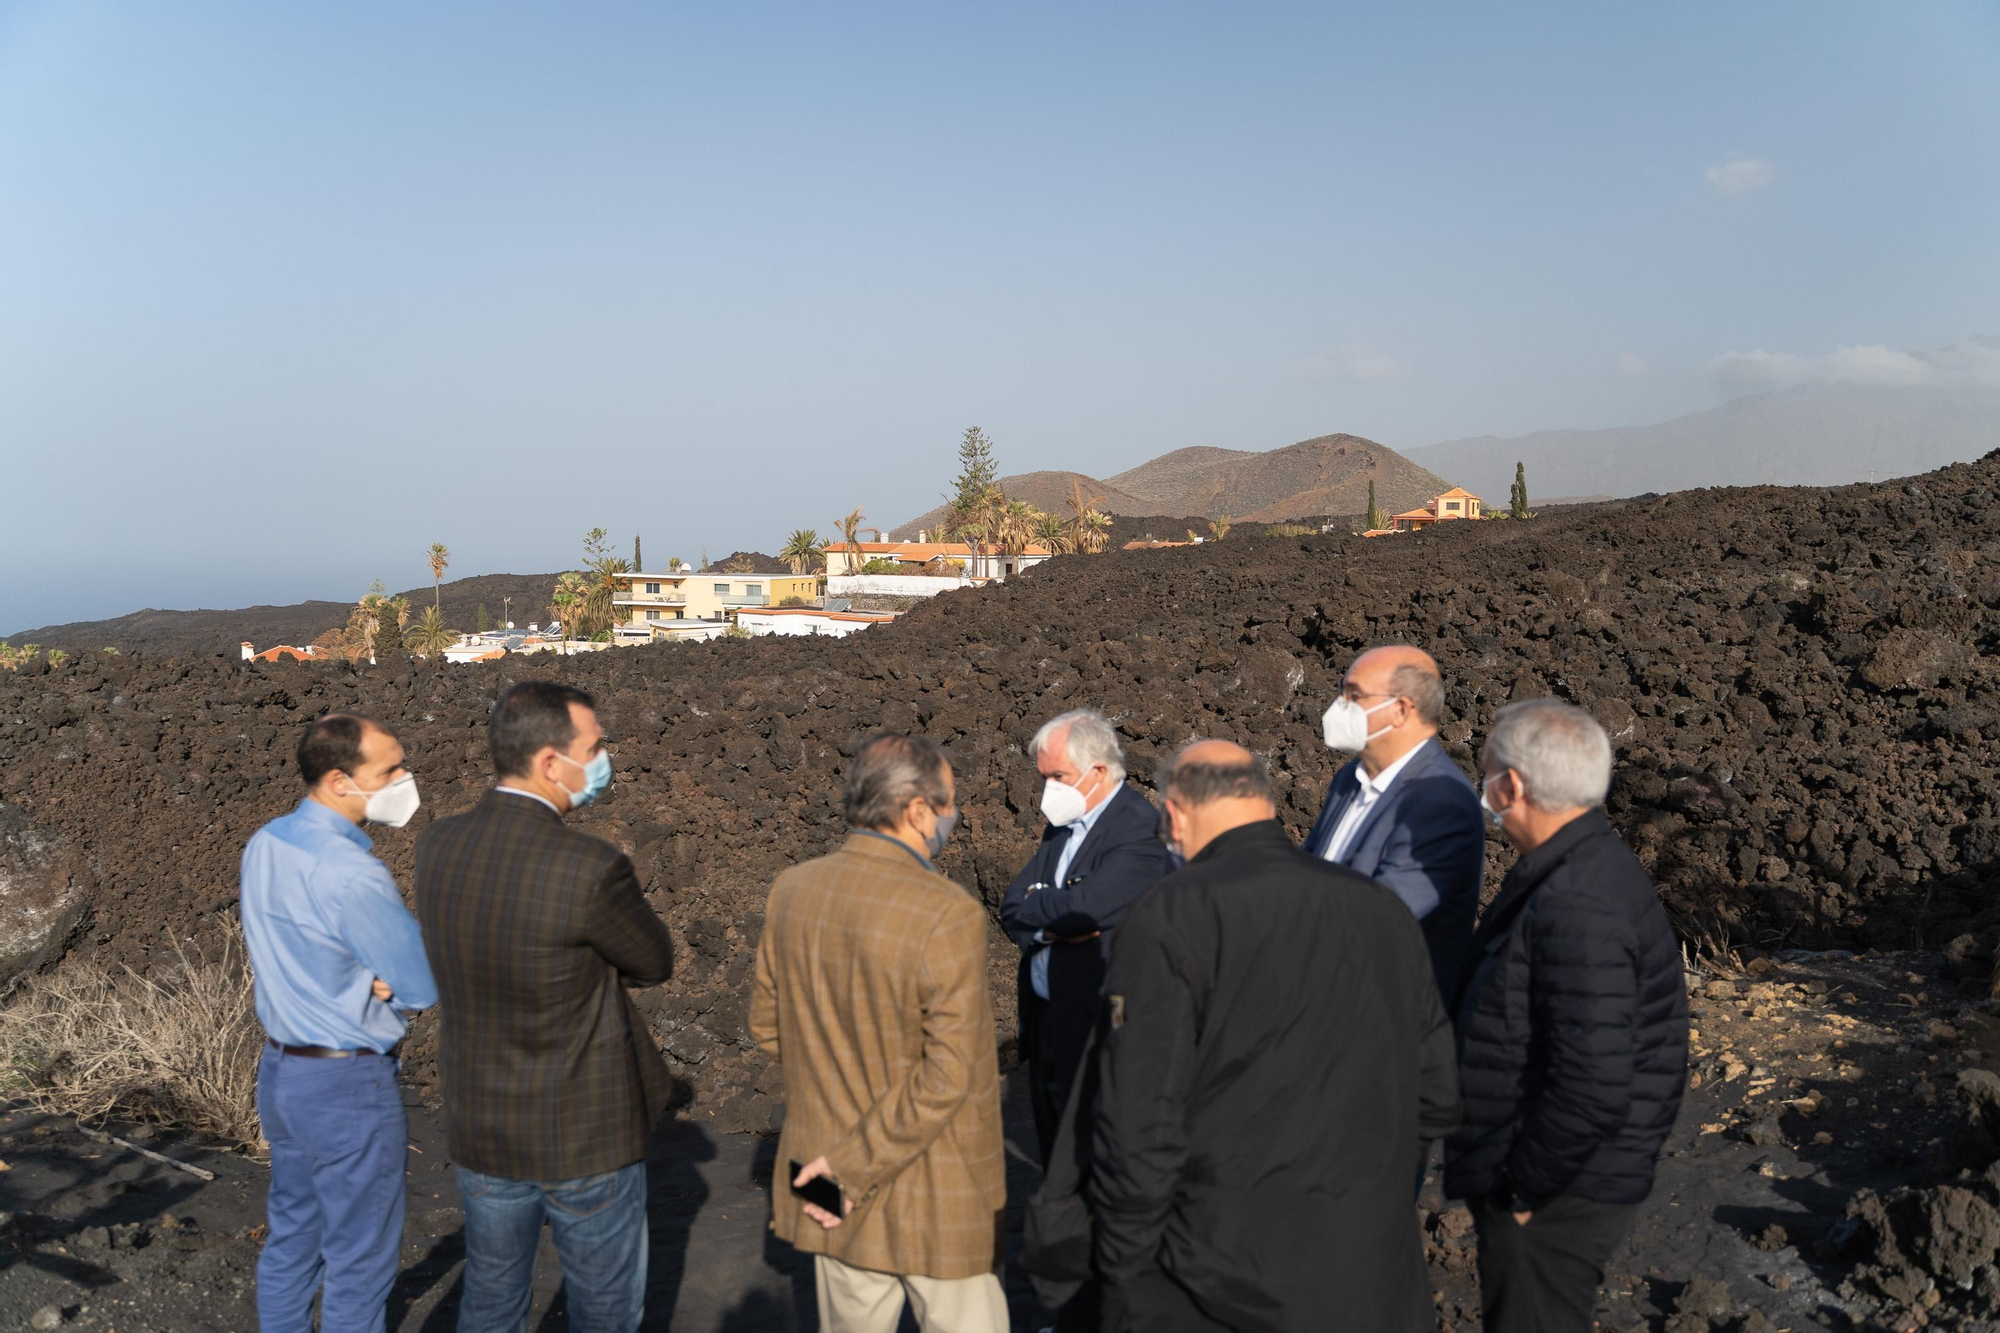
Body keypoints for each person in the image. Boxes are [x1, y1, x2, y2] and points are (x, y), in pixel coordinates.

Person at [1089, 740, 1460, 1332]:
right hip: (1368, 1273)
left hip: (1222, 1277)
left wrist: (1121, 1274)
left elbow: (1138, 1121)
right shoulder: (1381, 911)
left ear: (1177, 813)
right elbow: (1438, 1093)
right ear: (1264, 802)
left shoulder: (1170, 915)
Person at [413, 681, 673, 1333]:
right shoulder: (588, 866)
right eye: (595, 747)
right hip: (585, 1133)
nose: (604, 758)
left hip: (484, 1122)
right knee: (605, 1307)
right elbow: (653, 961)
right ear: (551, 763)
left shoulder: (438, 845)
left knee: (493, 1297)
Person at [750, 733, 1007, 1333]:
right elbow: (950, 1077)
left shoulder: (794, 888)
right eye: (948, 804)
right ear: (918, 811)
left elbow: (767, 1026)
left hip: (821, 1176)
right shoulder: (946, 911)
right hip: (932, 1189)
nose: (952, 817)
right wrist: (852, 1169)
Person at [1446, 699, 1689, 1333]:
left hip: (1559, 1190)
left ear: (1513, 785)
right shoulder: (1576, 868)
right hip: (1562, 1174)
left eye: (1486, 772)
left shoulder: (1579, 901)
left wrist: (1525, 1191)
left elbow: (1594, 1081)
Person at [240, 713, 438, 1333]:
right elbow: (421, 983)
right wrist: (382, 981)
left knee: (293, 1238)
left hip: (280, 1073)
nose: (404, 779)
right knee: (359, 1263)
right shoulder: (354, 873)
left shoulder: (267, 842)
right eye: (390, 770)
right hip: (348, 1085)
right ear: (339, 780)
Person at [998, 708, 1177, 1162]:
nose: (1048, 791)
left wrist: (1045, 908)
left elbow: (1083, 910)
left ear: (1097, 771)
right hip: (1048, 1020)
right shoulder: (1061, 828)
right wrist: (1048, 924)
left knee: (1096, 1157)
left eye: (1057, 776)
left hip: (1096, 1024)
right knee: (1055, 1154)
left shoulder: (1138, 829)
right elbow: (1011, 902)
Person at [1303, 644, 1487, 1010]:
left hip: (1385, 1020)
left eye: (1353, 695)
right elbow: (1306, 872)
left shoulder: (1440, 805)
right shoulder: (1348, 779)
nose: (1340, 705)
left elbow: (1381, 920)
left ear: (1401, 709)